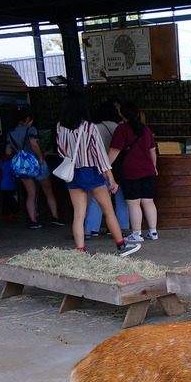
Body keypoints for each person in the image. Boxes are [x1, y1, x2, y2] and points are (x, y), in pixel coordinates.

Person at [55, 90, 140, 257]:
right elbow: (100, 155)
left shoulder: (60, 126)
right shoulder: (89, 127)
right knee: (108, 210)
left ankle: (81, 251)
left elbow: (60, 151)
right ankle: (121, 247)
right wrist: (111, 178)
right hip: (90, 171)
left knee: (79, 214)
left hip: (72, 173)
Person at [6, 108, 65, 230]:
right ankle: (55, 217)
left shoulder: (11, 132)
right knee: (48, 191)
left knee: (30, 194)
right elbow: (33, 143)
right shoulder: (30, 129)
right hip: (37, 163)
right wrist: (40, 156)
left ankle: (33, 221)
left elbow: (8, 151)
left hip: (23, 166)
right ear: (27, 119)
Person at [108, 102, 158, 242]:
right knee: (148, 202)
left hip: (130, 171)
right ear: (137, 114)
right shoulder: (145, 129)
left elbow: (115, 150)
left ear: (122, 114)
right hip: (148, 170)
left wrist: (105, 166)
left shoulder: (121, 129)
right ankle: (153, 232)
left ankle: (137, 233)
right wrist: (154, 167)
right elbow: (152, 150)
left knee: (133, 203)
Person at [83, 100, 129, 240]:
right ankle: (118, 229)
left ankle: (89, 230)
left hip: (99, 167)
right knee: (121, 200)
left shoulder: (94, 128)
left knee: (96, 199)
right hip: (118, 167)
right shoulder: (119, 128)